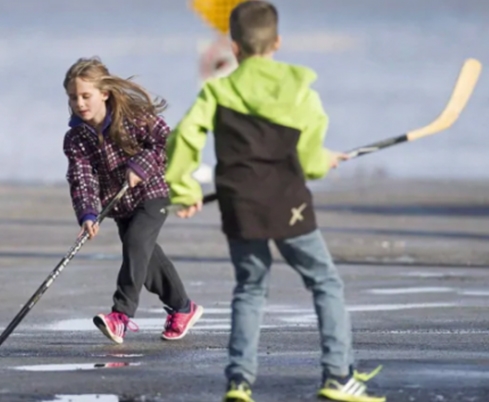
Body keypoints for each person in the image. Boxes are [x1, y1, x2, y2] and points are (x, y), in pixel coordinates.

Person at [164, 2, 385, 402]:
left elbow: (183, 138)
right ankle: (338, 375)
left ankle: (239, 382)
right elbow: (310, 159)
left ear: (234, 47)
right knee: (325, 282)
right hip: (288, 202)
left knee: (250, 288)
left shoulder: (217, 89)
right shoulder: (300, 90)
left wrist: (185, 189)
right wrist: (324, 161)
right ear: (277, 41)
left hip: (240, 203)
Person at [62, 57, 204, 345]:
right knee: (146, 258)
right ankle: (183, 307)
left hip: (154, 191)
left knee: (137, 243)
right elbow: (82, 177)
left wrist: (140, 165)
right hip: (120, 204)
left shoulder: (133, 116)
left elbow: (166, 141)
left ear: (104, 93)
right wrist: (88, 214)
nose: (80, 103)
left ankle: (121, 316)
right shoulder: (76, 138)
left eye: (86, 95)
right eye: (73, 97)